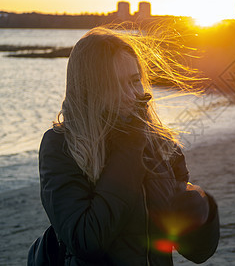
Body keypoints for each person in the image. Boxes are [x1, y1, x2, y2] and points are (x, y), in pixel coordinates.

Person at [38, 27, 219, 265]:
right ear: (90, 89)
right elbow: (85, 240)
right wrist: (130, 147)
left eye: (135, 81)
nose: (133, 94)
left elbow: (196, 252)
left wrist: (202, 213)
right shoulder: (61, 145)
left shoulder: (159, 143)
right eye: (115, 84)